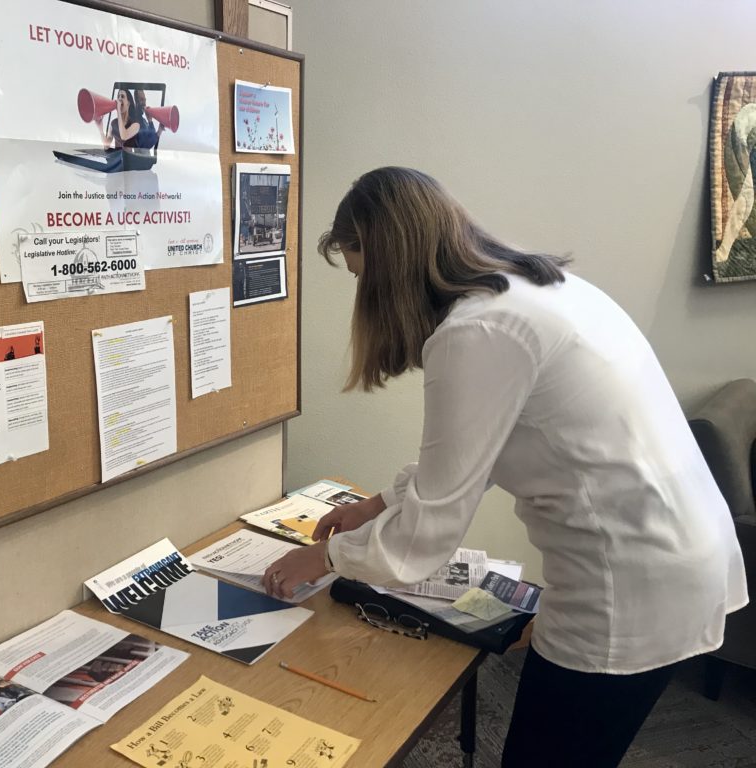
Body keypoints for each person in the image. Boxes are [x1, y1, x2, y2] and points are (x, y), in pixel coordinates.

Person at [260, 167, 749, 768]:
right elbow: (481, 447)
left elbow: (427, 537)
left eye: (363, 277)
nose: (366, 299)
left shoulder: (477, 330)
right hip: (679, 548)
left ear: (389, 266)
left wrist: (327, 558)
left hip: (628, 585)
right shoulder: (539, 288)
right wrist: (381, 503)